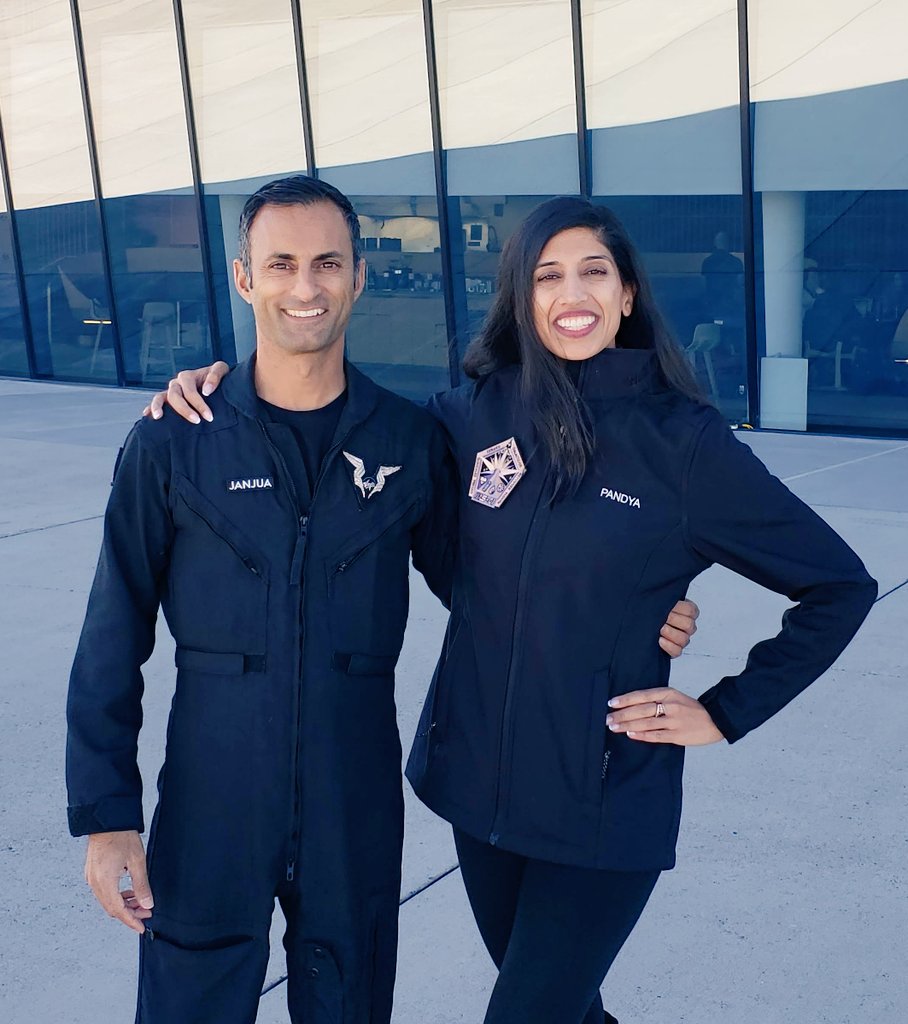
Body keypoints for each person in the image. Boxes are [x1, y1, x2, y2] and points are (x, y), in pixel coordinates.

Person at [159, 197, 875, 1024]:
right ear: (522, 299)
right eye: (547, 276)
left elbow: (838, 587)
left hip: (602, 804)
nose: (573, 294)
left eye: (594, 272)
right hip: (479, 795)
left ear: (628, 293)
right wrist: (217, 388)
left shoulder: (687, 445)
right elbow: (425, 534)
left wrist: (722, 710)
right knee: (569, 1012)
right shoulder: (468, 417)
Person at [67, 177, 699, 1024]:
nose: (305, 286)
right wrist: (107, 817)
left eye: (327, 263)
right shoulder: (175, 438)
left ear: (359, 277)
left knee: (349, 1003)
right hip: (212, 795)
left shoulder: (411, 442)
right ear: (244, 278)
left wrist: (633, 607)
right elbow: (113, 632)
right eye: (281, 264)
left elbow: (495, 585)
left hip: (353, 794)